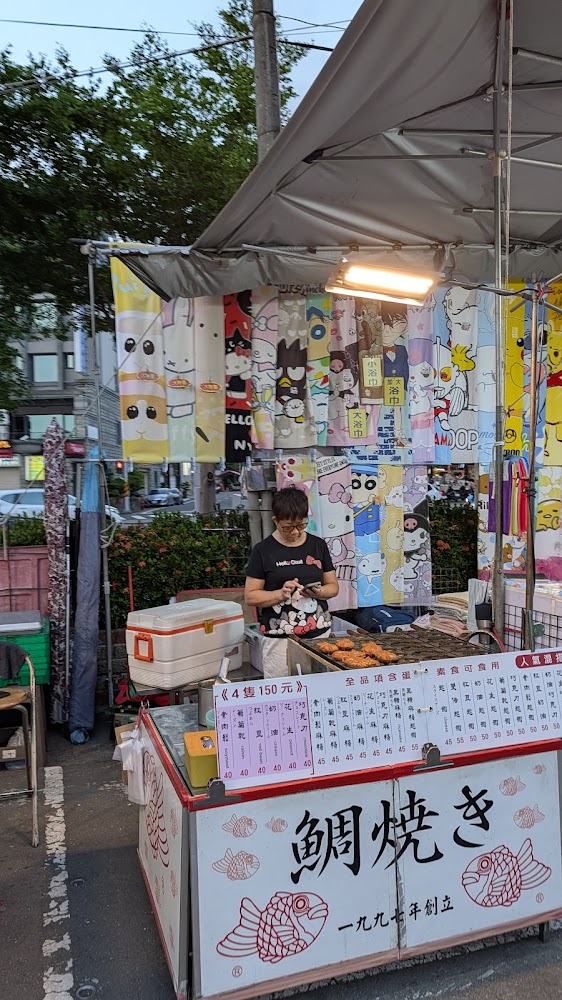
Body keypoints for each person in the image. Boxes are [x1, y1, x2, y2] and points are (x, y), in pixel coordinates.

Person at [244, 486, 339, 678]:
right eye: (287, 527)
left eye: (301, 525)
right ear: (275, 520)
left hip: (319, 634)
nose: (295, 532)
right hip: (279, 638)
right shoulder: (263, 551)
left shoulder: (318, 545)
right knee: (281, 689)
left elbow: (333, 587)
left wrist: (319, 592)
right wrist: (280, 594)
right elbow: (251, 596)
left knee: (321, 687)